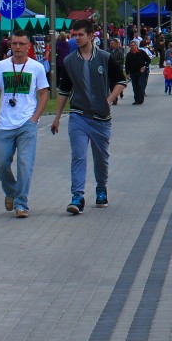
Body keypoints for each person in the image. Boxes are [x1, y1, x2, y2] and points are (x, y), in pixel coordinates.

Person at [52, 19, 127, 214]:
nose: (76, 38)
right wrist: (57, 117)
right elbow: (64, 91)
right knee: (78, 155)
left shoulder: (104, 57)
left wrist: (109, 99)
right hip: (78, 115)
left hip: (101, 118)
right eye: (74, 35)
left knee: (101, 157)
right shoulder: (70, 61)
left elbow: (121, 80)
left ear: (91, 36)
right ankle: (77, 196)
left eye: (80, 35)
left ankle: (101, 188)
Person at [0, 29, 49, 218]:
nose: (17, 47)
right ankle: (11, 192)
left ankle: (21, 204)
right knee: (0, 163)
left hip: (27, 123)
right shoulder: (1, 67)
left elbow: (44, 94)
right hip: (5, 124)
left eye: (21, 44)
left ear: (28, 46)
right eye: (14, 43)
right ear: (10, 45)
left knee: (24, 165)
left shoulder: (36, 67)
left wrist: (35, 118)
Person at [125, 41, 151, 105]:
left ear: (136, 46)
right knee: (135, 86)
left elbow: (148, 60)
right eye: (130, 45)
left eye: (133, 45)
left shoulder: (141, 53)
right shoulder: (129, 54)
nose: (132, 47)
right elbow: (127, 64)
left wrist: (145, 66)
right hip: (133, 72)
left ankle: (141, 99)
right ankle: (136, 100)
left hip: (141, 72)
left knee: (140, 85)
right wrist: (127, 73)